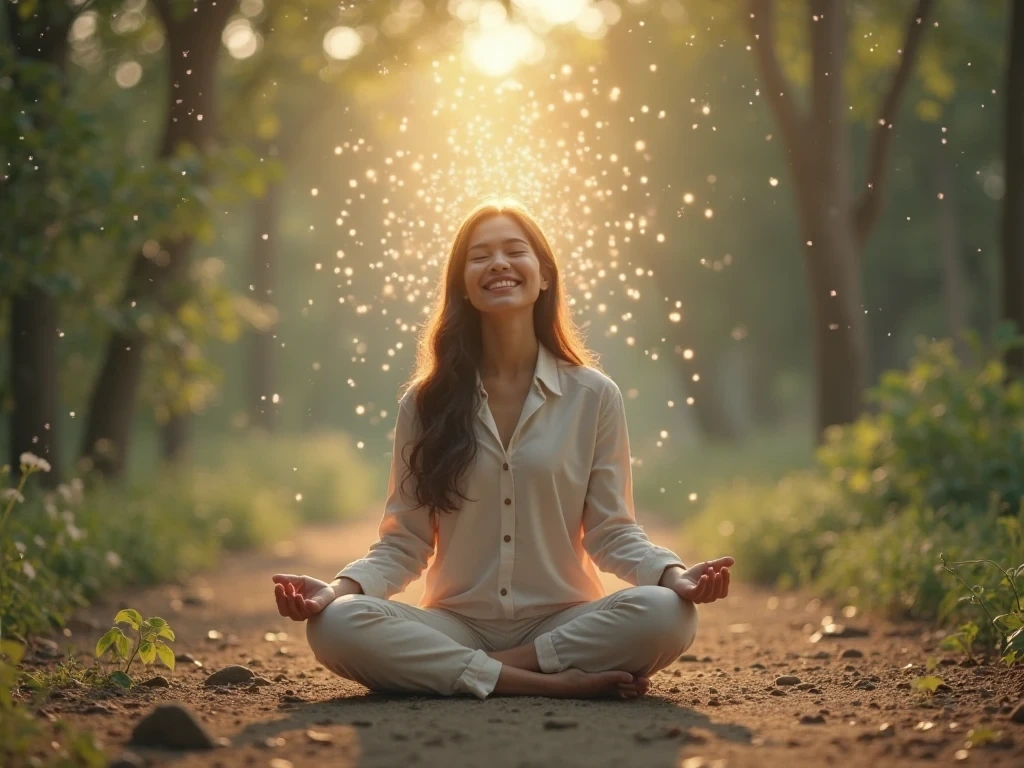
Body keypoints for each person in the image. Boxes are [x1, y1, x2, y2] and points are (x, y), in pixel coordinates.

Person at [272, 198, 734, 701]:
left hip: (564, 621)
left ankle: (486, 673)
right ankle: (553, 686)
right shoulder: (426, 404)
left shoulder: (594, 395)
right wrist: (335, 590)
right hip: (455, 624)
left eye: (515, 251)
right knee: (334, 625)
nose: (498, 264)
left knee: (668, 614)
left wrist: (674, 576)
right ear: (464, 286)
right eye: (480, 256)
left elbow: (610, 531)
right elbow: (403, 543)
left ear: (544, 276)